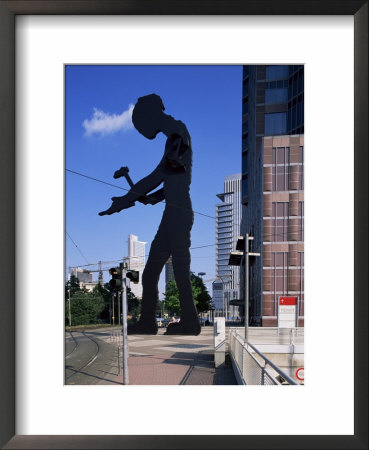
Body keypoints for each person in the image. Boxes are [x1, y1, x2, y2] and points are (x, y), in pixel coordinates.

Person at [99, 94, 201, 336]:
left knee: (180, 270)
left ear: (150, 116)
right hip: (171, 213)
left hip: (179, 214)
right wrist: (144, 197)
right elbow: (164, 188)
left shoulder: (178, 134)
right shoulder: (175, 137)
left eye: (140, 124)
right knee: (151, 272)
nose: (142, 130)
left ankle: (191, 322)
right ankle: (147, 322)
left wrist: (125, 200)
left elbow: (157, 176)